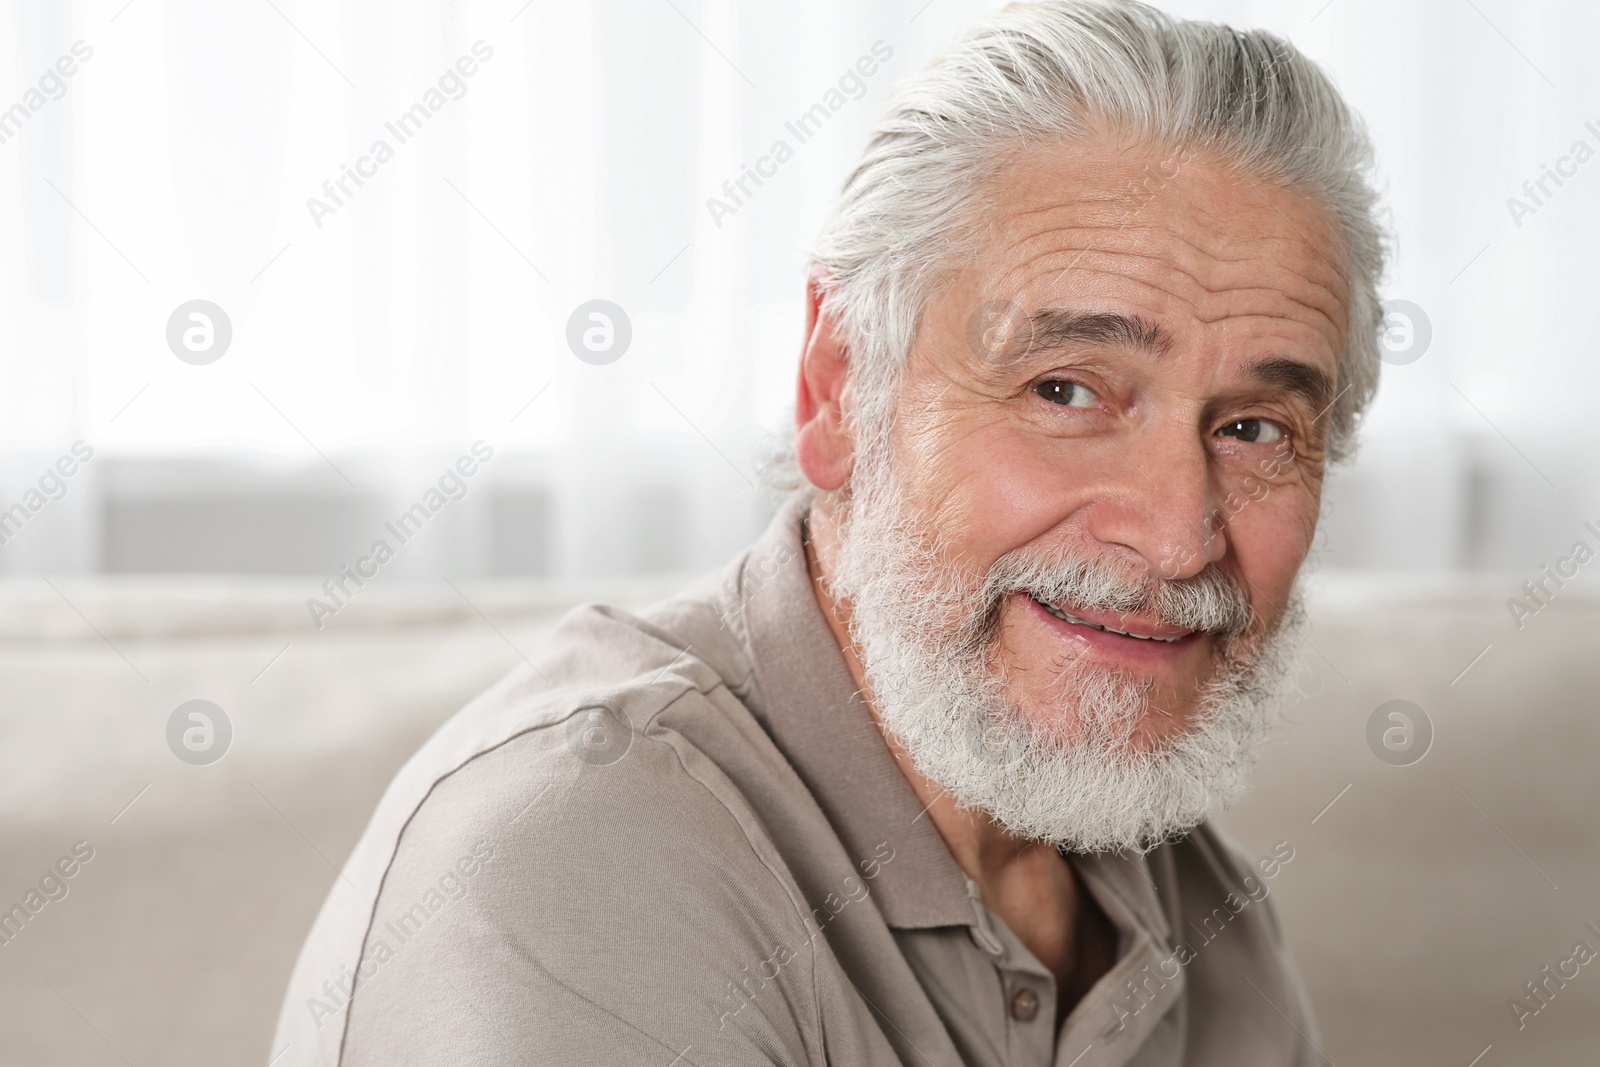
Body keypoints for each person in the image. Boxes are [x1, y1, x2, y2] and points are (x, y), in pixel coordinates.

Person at [275, 1, 1384, 1062]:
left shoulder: (1196, 898)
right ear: (839, 388)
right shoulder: (573, 858)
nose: (1179, 534)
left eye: (1251, 427)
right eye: (1067, 389)